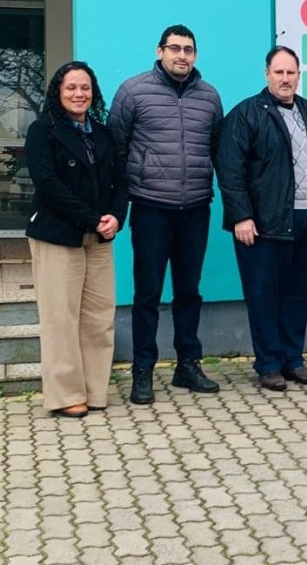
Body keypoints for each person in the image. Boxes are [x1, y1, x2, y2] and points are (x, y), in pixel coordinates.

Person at [109, 24, 223, 405]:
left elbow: (217, 148)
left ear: (195, 55)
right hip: (151, 207)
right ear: (159, 51)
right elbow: (116, 147)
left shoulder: (210, 97)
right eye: (174, 48)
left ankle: (187, 364)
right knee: (147, 293)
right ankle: (143, 370)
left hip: (195, 208)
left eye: (188, 49)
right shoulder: (133, 91)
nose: (181, 56)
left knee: (189, 292)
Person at [216, 46, 307, 391]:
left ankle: (292, 359)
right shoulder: (246, 114)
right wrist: (241, 216)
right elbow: (230, 168)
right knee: (264, 295)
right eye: (279, 72)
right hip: (264, 224)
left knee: (301, 293)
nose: (285, 79)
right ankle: (269, 364)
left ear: (299, 75)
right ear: (266, 74)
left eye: (291, 72)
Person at [25, 62, 128, 418]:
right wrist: (92, 218)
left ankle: (95, 390)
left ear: (93, 92)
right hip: (58, 235)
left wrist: (117, 215)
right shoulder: (43, 131)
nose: (78, 94)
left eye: (85, 87)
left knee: (98, 317)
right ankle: (66, 394)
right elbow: (47, 184)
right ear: (58, 92)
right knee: (61, 317)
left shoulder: (103, 133)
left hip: (98, 237)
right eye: (71, 87)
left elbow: (121, 180)